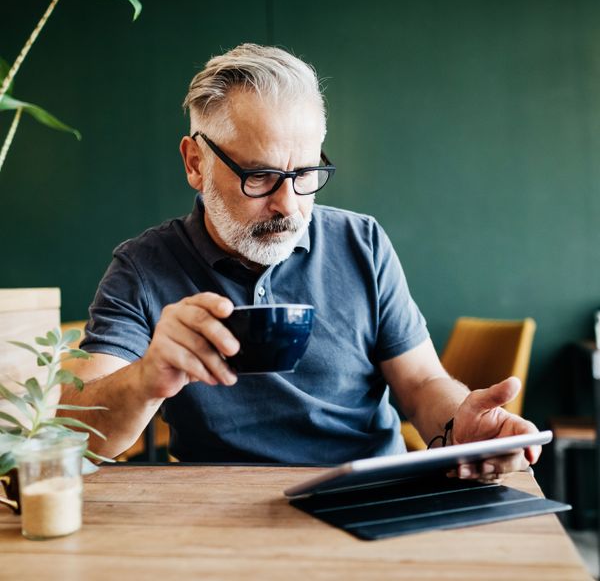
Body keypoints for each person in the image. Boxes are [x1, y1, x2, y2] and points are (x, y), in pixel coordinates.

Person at [62, 43, 540, 479]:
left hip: (369, 490)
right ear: (195, 163)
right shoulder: (143, 268)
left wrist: (462, 423)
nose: (289, 205)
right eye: (261, 176)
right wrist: (147, 378)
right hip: (217, 507)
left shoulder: (362, 242)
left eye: (306, 173)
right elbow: (75, 431)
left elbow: (420, 382)